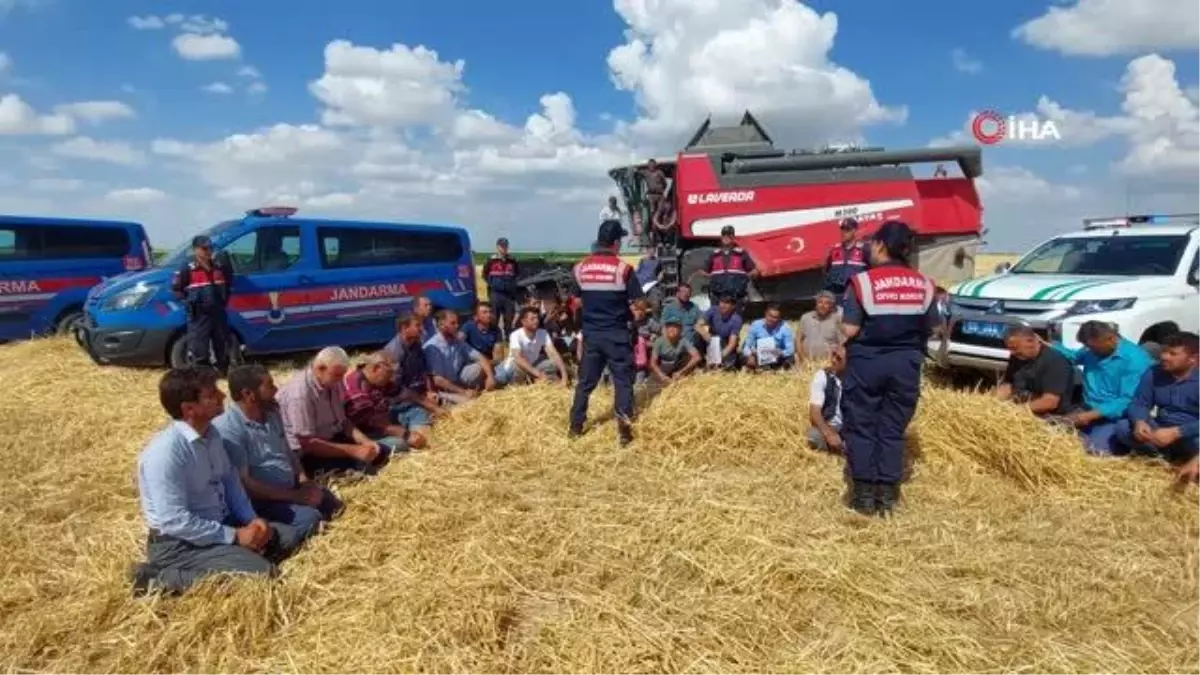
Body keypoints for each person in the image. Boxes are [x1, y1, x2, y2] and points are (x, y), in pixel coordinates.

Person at [131, 368, 304, 595]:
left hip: (220, 524)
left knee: (293, 533)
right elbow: (175, 521)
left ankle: (238, 558)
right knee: (261, 577)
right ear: (189, 409)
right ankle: (159, 577)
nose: (223, 397)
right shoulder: (165, 453)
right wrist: (235, 536)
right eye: (212, 394)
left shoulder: (211, 434)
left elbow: (230, 481)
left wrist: (252, 520)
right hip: (180, 543)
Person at [840, 220, 940, 516]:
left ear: (881, 245)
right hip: (906, 364)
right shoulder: (924, 284)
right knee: (892, 429)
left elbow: (850, 328)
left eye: (872, 244)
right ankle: (888, 496)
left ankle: (863, 496)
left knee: (862, 427)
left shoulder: (862, 282)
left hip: (867, 363)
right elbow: (933, 328)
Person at [214, 365, 342, 541]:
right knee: (310, 519)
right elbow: (246, 485)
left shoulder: (272, 413)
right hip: (264, 500)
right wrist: (296, 496)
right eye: (269, 386)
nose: (276, 390)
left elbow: (288, 452)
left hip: (289, 489)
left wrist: (304, 482)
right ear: (248, 394)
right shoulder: (229, 429)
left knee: (331, 504)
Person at [569, 219, 644, 445]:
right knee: (622, 382)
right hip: (617, 336)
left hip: (592, 335)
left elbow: (574, 301)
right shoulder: (624, 269)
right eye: (619, 240)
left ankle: (575, 426)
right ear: (614, 243)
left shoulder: (580, 268)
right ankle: (624, 431)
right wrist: (635, 315)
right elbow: (639, 304)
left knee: (585, 383)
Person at [277, 347, 394, 476]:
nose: (341, 380)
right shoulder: (300, 395)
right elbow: (308, 444)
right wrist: (354, 451)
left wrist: (365, 441)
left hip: (331, 439)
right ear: (321, 368)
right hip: (308, 454)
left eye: (342, 375)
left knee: (381, 452)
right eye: (337, 375)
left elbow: (343, 422)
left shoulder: (333, 383)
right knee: (361, 468)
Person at [1051, 321, 1154, 455]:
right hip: (1086, 408)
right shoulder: (1092, 349)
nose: (1090, 351)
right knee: (1052, 437)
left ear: (1111, 339)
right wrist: (1052, 346)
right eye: (1088, 347)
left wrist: (1090, 415)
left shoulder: (1135, 360)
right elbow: (1075, 357)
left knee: (1092, 451)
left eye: (1094, 348)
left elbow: (1127, 400)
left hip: (1114, 417)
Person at [1115, 332, 1200, 464]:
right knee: (1123, 427)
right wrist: (1139, 421)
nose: (1164, 357)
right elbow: (1140, 402)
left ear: (1193, 359)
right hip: (1161, 427)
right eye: (1164, 351)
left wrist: (1177, 432)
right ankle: (1162, 458)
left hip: (1192, 432)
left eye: (1173, 354)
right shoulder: (1155, 372)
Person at [171, 235, 235, 371]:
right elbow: (177, 289)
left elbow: (228, 285)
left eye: (210, 248)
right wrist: (189, 302)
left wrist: (223, 301)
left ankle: (223, 372)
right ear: (195, 250)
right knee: (199, 348)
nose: (208, 251)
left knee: (222, 346)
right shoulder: (188, 268)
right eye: (204, 248)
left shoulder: (219, 267)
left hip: (218, 313)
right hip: (199, 315)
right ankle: (203, 377)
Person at [385, 314, 443, 448]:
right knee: (423, 439)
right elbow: (398, 391)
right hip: (402, 404)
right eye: (418, 326)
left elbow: (424, 371)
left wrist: (430, 391)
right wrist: (426, 402)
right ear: (405, 328)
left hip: (418, 396)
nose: (422, 329)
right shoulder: (394, 352)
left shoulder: (416, 345)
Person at [342, 352, 418, 449]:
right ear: (376, 368)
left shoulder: (377, 379)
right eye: (389, 374)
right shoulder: (357, 392)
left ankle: (418, 433)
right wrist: (406, 435)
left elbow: (405, 393)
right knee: (400, 444)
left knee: (415, 409)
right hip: (365, 432)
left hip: (382, 417)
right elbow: (374, 425)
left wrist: (435, 408)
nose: (392, 378)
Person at [996, 325, 1075, 417]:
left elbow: (1050, 402)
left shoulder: (1055, 361)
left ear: (1031, 341)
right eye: (1010, 348)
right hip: (1020, 408)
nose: (1012, 352)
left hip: (1048, 416)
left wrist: (1014, 411)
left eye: (1015, 348)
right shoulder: (1017, 356)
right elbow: (1007, 385)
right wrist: (993, 404)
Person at [424, 309, 497, 404]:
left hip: (457, 380)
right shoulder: (433, 347)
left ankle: (480, 388)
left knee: (481, 366)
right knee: (471, 403)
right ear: (442, 325)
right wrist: (463, 392)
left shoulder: (457, 340)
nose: (457, 326)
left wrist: (490, 377)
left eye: (457, 323)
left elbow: (480, 357)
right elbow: (437, 380)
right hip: (442, 389)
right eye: (452, 323)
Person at [500, 307, 570, 385]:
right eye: (532, 319)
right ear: (523, 321)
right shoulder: (515, 335)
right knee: (517, 370)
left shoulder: (543, 333)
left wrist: (564, 376)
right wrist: (538, 374)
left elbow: (553, 353)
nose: (536, 321)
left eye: (537, 318)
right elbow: (518, 358)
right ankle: (531, 380)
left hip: (534, 364)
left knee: (553, 364)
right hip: (517, 366)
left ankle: (537, 379)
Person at [703, 225, 757, 310]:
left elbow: (754, 271)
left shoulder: (742, 253)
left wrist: (744, 278)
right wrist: (713, 279)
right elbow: (704, 271)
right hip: (718, 297)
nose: (726, 237)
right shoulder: (714, 254)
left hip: (736, 297)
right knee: (716, 320)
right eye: (724, 235)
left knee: (736, 321)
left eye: (729, 235)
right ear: (721, 237)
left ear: (733, 237)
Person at [822, 218, 869, 307]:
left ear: (855, 231)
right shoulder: (834, 251)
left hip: (856, 296)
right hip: (837, 297)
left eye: (848, 229)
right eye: (842, 229)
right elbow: (826, 272)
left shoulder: (864, 250)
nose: (844, 232)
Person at [808, 346, 847, 452]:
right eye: (833, 355)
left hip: (850, 429)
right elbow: (814, 412)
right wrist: (828, 433)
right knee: (814, 436)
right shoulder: (822, 376)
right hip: (829, 426)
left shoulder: (858, 380)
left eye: (839, 358)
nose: (833, 360)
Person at [461, 301, 509, 384]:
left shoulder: (496, 330)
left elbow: (498, 358)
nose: (489, 315)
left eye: (490, 312)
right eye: (484, 312)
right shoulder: (468, 327)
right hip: (472, 364)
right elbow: (459, 342)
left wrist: (487, 364)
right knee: (476, 370)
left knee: (506, 371)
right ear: (476, 317)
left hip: (490, 364)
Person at [482, 239, 520, 337]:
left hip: (509, 295)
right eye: (502, 246)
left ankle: (508, 338)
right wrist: (492, 284)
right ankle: (495, 338)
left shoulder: (512, 260)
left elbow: (517, 274)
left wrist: (511, 285)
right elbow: (484, 274)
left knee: (509, 318)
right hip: (496, 294)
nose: (504, 248)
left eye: (506, 246)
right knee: (494, 317)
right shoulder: (491, 260)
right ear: (497, 247)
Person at [694, 295, 743, 370]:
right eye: (721, 302)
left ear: (733, 306)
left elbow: (732, 344)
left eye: (726, 303)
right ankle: (701, 360)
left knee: (726, 368)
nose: (722, 305)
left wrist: (718, 358)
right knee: (697, 335)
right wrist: (705, 334)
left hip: (725, 346)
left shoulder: (737, 319)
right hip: (711, 342)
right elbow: (697, 325)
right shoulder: (713, 309)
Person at [743, 304, 796, 371]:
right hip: (759, 356)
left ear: (780, 318)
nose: (771, 319)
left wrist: (781, 353)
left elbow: (791, 349)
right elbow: (747, 346)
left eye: (775, 317)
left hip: (778, 356)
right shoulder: (756, 325)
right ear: (765, 314)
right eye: (770, 316)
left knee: (791, 358)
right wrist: (750, 355)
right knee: (744, 357)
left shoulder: (786, 327)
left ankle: (775, 370)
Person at [649, 319, 702, 383]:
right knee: (652, 383)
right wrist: (661, 375)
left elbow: (697, 357)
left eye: (675, 327)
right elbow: (653, 363)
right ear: (666, 329)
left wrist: (681, 372)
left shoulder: (683, 340)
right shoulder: (659, 341)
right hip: (664, 366)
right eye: (669, 327)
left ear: (680, 330)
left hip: (678, 365)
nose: (671, 329)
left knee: (687, 358)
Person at [797, 291, 843, 360]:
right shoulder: (806, 318)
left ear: (831, 306)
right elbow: (798, 339)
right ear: (816, 304)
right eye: (820, 302)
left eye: (827, 303)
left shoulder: (837, 320)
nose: (822, 305)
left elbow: (842, 343)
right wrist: (802, 358)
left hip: (828, 364)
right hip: (808, 363)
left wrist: (835, 358)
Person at [631, 299, 661, 383]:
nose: (639, 312)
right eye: (637, 310)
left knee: (642, 376)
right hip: (631, 354)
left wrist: (654, 338)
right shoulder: (630, 323)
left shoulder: (649, 322)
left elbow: (662, 333)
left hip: (645, 357)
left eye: (642, 310)